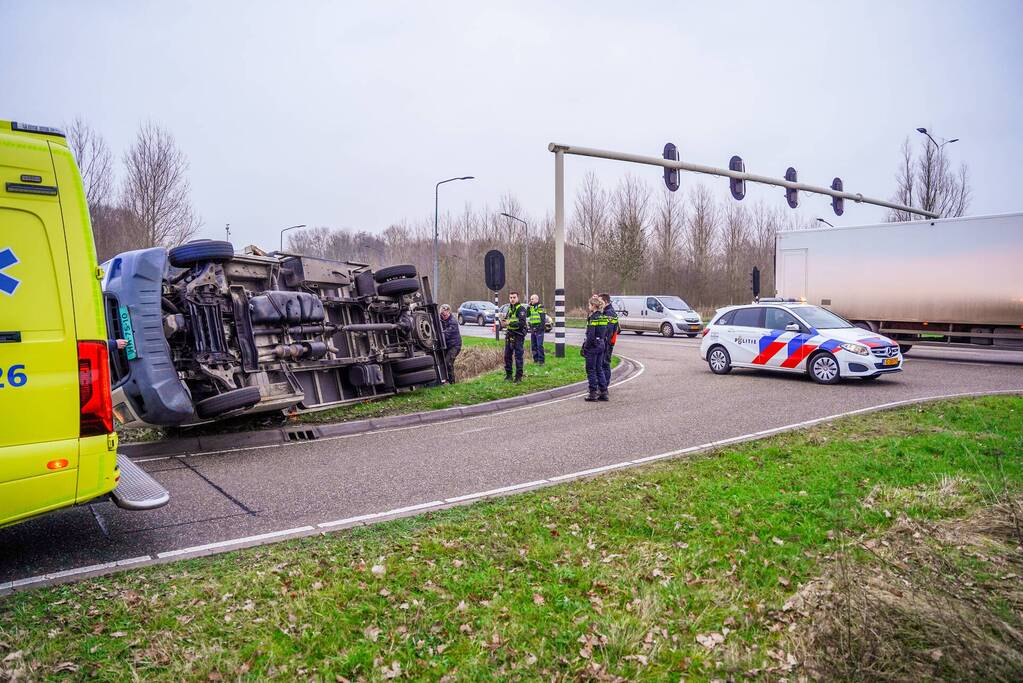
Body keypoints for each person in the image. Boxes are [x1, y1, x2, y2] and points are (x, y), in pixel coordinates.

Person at [581, 295, 609, 402]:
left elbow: (590, 335)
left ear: (593, 305)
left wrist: (586, 347)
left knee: (591, 370)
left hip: (593, 346)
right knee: (599, 369)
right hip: (601, 344)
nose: (588, 307)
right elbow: (606, 332)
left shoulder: (593, 318)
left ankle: (593, 393)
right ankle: (604, 392)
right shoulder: (603, 317)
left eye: (589, 305)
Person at [503, 291, 528, 382]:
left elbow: (521, 323)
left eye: (514, 297)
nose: (512, 299)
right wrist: (504, 322)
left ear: (517, 298)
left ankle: (518, 377)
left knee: (518, 357)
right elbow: (507, 320)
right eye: (511, 298)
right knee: (507, 356)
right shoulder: (510, 309)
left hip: (518, 336)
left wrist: (510, 322)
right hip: (509, 335)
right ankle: (508, 375)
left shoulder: (521, 309)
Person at [598, 293, 618, 397]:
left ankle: (604, 388)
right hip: (607, 342)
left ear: (605, 302)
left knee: (604, 364)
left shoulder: (609, 313)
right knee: (603, 364)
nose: (599, 303)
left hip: (607, 343)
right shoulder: (606, 312)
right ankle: (603, 387)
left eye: (600, 302)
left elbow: (608, 331)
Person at [439, 304, 461, 383]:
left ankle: (452, 382)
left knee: (448, 362)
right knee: (441, 362)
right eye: (441, 314)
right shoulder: (441, 319)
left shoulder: (453, 322)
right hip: (446, 346)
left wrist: (438, 334)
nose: (443, 316)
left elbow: (445, 334)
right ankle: (444, 380)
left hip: (455, 346)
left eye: (444, 314)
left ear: (448, 312)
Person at [527, 293, 546, 365]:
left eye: (532, 299)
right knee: (533, 345)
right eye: (530, 299)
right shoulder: (531, 307)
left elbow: (542, 319)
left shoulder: (540, 307)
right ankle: (536, 360)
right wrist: (528, 307)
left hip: (539, 329)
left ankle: (541, 361)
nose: (531, 300)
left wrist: (539, 328)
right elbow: (527, 315)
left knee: (539, 345)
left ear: (537, 299)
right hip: (532, 328)